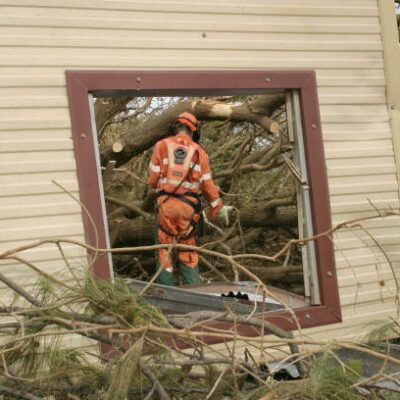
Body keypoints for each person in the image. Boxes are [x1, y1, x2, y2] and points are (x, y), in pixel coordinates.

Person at [147, 111, 231, 286]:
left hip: (166, 208)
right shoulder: (200, 153)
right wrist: (218, 207)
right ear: (193, 131)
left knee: (164, 250)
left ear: (176, 128)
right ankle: (194, 291)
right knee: (188, 251)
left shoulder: (162, 146)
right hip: (188, 211)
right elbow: (208, 186)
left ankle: (167, 294)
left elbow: (153, 180)